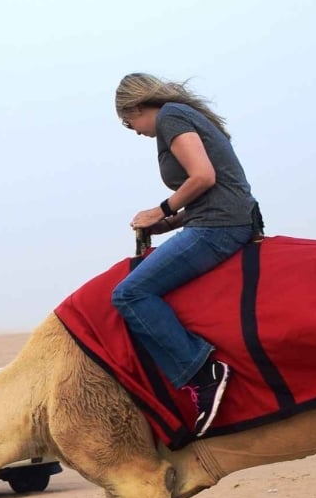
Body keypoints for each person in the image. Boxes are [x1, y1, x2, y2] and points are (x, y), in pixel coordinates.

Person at [111, 73, 260, 437]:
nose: (135, 132)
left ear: (138, 107)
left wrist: (158, 210)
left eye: (130, 123)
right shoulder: (180, 116)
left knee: (129, 294)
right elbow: (212, 188)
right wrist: (173, 222)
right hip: (217, 219)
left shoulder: (170, 118)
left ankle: (202, 374)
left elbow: (204, 176)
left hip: (219, 227)